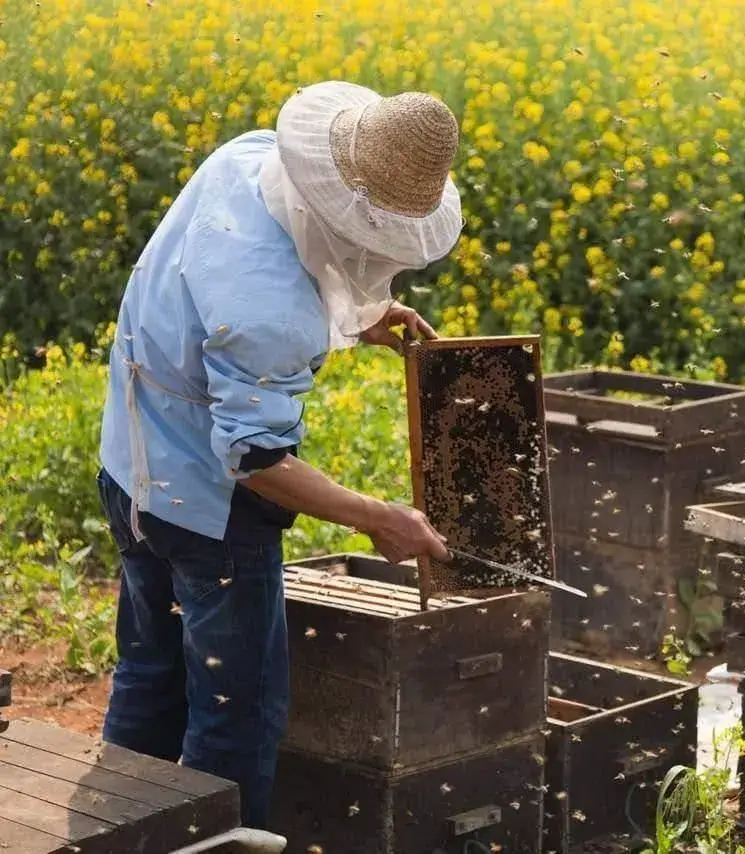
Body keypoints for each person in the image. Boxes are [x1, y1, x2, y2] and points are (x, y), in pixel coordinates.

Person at [94, 80, 459, 829]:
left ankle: (115, 838)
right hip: (205, 509)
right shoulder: (271, 314)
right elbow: (258, 459)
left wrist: (357, 316)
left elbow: (230, 289)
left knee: (152, 673)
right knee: (238, 713)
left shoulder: (247, 160)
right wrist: (377, 517)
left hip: (128, 462)